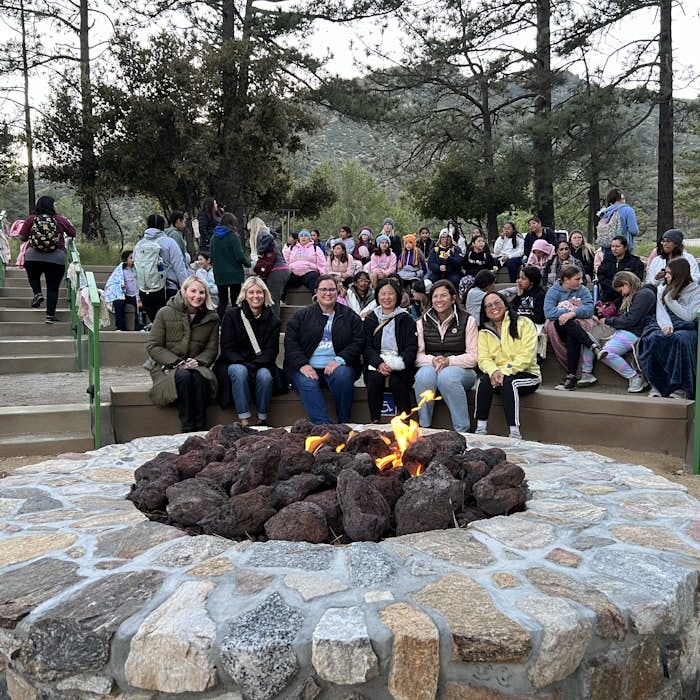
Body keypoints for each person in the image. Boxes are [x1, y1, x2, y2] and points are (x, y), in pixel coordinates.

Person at [284, 274, 364, 424]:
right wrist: (302, 364)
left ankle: (344, 422)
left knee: (343, 375)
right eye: (324, 289)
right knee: (308, 382)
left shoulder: (349, 316)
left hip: (336, 366)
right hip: (306, 367)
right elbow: (290, 342)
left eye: (332, 289)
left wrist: (339, 360)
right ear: (316, 292)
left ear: (338, 292)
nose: (328, 293)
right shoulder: (301, 316)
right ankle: (324, 427)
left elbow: (358, 341)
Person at [146, 276, 219, 432]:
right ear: (184, 292)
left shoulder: (211, 318)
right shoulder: (165, 313)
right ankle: (187, 427)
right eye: (193, 291)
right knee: (183, 376)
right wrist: (177, 362)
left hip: (196, 366)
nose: (197, 296)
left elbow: (211, 349)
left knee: (200, 378)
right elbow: (154, 346)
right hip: (166, 366)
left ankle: (201, 426)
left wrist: (198, 361)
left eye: (202, 292)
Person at [414, 280, 478, 432]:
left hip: (462, 370)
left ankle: (462, 430)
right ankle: (425, 427)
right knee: (424, 375)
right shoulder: (422, 322)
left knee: (447, 376)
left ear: (453, 298)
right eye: (435, 296)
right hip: (432, 365)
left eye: (443, 295)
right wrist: (433, 360)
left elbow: (473, 357)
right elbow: (417, 355)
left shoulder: (468, 320)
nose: (439, 300)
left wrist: (449, 361)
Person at [475, 292, 541, 440]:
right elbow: (484, 358)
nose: (494, 307)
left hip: (528, 374)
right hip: (498, 376)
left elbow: (527, 356)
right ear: (485, 311)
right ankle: (480, 428)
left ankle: (514, 432)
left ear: (505, 304)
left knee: (510, 382)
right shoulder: (484, 331)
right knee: (484, 381)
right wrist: (494, 372)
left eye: (497, 303)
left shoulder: (523, 323)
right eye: (489, 306)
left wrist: (504, 371)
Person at [220, 277, 281, 427]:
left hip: (261, 363)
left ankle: (262, 419)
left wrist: (254, 365)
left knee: (265, 376)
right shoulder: (231, 315)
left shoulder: (273, 320)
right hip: (235, 362)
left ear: (265, 294)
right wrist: (245, 364)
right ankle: (244, 421)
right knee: (239, 371)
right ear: (245, 295)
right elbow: (227, 347)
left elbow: (271, 351)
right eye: (251, 292)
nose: (256, 296)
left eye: (259, 292)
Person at [639, 258, 700, 399]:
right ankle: (658, 385)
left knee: (679, 339)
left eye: (668, 273)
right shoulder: (662, 288)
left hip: (687, 326)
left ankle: (680, 387)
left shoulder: (695, 290)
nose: (665, 276)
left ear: (679, 274)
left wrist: (669, 300)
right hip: (664, 323)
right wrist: (666, 325)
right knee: (653, 338)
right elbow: (661, 312)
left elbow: (689, 317)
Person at [363, 278, 418, 423]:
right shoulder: (371, 319)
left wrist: (395, 364)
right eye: (383, 294)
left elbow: (411, 348)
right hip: (377, 361)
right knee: (374, 379)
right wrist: (379, 364)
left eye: (391, 294)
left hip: (399, 361)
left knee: (397, 381)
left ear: (397, 296)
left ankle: (405, 420)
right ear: (377, 296)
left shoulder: (406, 318)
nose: (386, 298)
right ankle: (375, 420)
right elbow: (366, 347)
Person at [544, 265, 606, 391]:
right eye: (577, 279)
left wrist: (572, 314)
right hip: (558, 327)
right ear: (566, 279)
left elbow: (589, 309)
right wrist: (567, 312)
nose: (581, 281)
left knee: (571, 332)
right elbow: (549, 312)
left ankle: (571, 378)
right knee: (566, 323)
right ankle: (593, 346)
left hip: (577, 326)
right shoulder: (553, 291)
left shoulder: (583, 290)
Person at [593, 271, 656, 393]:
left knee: (607, 353)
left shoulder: (645, 294)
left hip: (636, 332)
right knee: (595, 340)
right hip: (625, 330)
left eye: (620, 290)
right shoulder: (635, 294)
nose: (620, 294)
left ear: (627, 283)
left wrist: (609, 321)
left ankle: (636, 377)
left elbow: (631, 319)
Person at [18, 195, 76, 323]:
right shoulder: (60, 219)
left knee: (33, 277)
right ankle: (50, 316)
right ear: (52, 206)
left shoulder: (31, 219)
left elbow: (22, 237)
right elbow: (73, 233)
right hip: (57, 257)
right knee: (53, 287)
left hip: (33, 256)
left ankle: (37, 293)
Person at [133, 213, 190, 325]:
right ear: (163, 226)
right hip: (167, 290)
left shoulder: (139, 245)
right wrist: (186, 288)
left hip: (146, 292)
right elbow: (180, 267)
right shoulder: (169, 242)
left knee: (158, 326)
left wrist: (137, 295)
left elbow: (136, 271)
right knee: (171, 326)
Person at [210, 212, 250, 319]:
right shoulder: (233, 237)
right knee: (235, 301)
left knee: (222, 300)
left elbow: (212, 256)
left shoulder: (214, 238)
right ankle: (235, 322)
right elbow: (239, 256)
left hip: (219, 274)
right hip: (234, 274)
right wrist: (248, 263)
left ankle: (219, 324)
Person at [596, 235, 645, 306]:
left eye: (617, 246)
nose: (614, 249)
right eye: (612, 246)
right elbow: (601, 276)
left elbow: (636, 279)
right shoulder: (607, 260)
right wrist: (613, 287)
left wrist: (621, 288)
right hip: (608, 293)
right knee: (598, 309)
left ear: (625, 247)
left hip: (627, 295)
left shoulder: (635, 262)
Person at [104, 250, 142, 331]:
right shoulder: (120, 270)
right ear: (125, 260)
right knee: (118, 303)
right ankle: (120, 327)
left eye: (134, 258)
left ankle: (138, 326)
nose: (133, 260)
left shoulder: (136, 269)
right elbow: (112, 282)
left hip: (134, 295)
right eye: (131, 258)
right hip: (122, 294)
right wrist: (119, 286)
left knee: (138, 304)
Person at [255, 228, 289, 317]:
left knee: (273, 301)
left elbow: (268, 237)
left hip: (276, 271)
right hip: (282, 269)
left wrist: (260, 250)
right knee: (271, 300)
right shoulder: (273, 243)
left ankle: (274, 326)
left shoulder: (263, 234)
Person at [598, 188, 640, 254]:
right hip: (623, 249)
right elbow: (633, 230)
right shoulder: (628, 210)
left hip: (606, 248)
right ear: (621, 198)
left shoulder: (604, 212)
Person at [284, 228, 326, 293]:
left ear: (309, 238)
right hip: (294, 275)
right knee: (283, 277)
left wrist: (323, 276)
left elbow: (322, 263)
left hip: (309, 274)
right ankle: (280, 299)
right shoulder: (291, 248)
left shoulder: (316, 248)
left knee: (314, 276)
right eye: (301, 235)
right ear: (298, 238)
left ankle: (316, 298)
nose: (303, 237)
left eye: (306, 235)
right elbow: (285, 261)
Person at [460, 232, 497, 299]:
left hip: (483, 278)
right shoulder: (468, 255)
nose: (481, 243)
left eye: (483, 241)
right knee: (465, 280)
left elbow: (493, 268)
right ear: (473, 243)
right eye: (479, 241)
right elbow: (463, 267)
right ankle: (465, 299)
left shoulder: (487, 256)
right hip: (470, 277)